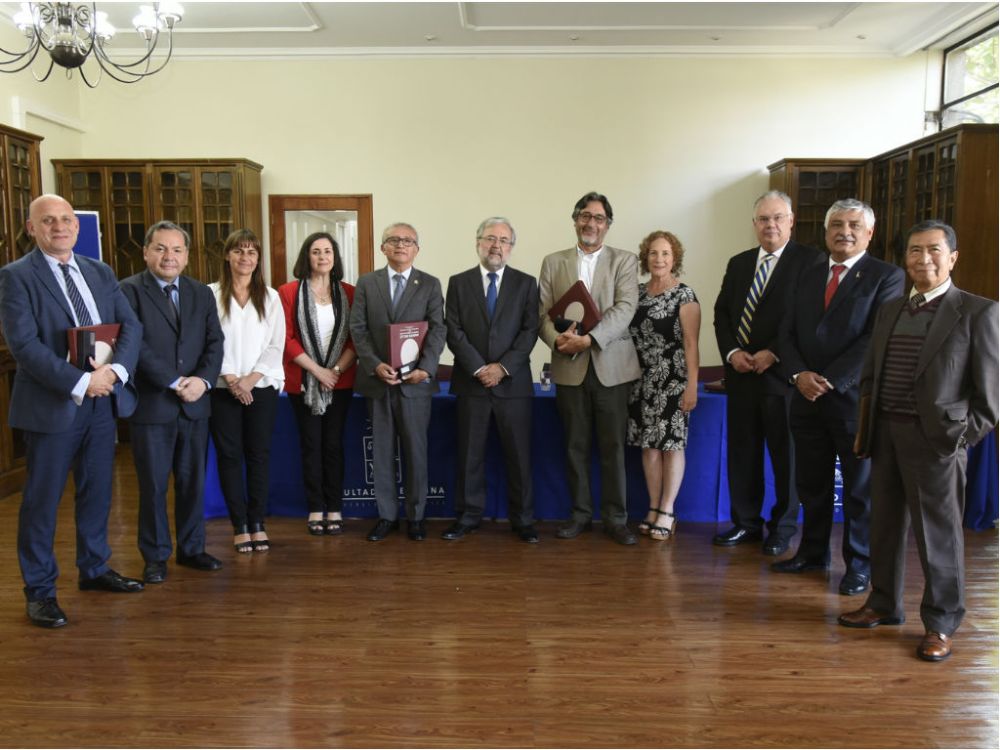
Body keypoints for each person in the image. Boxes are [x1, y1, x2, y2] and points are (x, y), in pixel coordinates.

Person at [839, 220, 998, 662]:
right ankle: (883, 603)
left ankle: (941, 623)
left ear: (953, 257)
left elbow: (989, 398)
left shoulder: (977, 312)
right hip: (885, 433)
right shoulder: (891, 309)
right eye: (914, 251)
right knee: (884, 524)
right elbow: (871, 375)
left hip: (937, 443)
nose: (922, 259)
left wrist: (958, 440)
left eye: (933, 250)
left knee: (939, 537)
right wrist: (867, 429)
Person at [0, 194, 143, 628]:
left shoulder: (99, 272)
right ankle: (40, 591)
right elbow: (24, 346)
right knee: (41, 503)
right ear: (32, 228)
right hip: (52, 407)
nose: (59, 227)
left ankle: (94, 569)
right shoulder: (15, 277)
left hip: (101, 403)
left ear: (77, 228)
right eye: (48, 221)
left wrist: (115, 373)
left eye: (65, 220)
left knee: (97, 491)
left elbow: (130, 326)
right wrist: (82, 381)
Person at [772, 200, 904, 595]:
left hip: (852, 402)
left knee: (859, 490)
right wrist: (799, 375)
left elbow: (875, 339)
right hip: (805, 399)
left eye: (853, 225)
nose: (844, 231)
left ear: (869, 233)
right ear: (826, 231)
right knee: (811, 484)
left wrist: (828, 379)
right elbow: (786, 332)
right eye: (836, 225)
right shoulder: (807, 272)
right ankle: (812, 553)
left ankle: (859, 566)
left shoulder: (887, 276)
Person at [712, 190, 823, 555]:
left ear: (791, 221)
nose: (770, 225)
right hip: (741, 376)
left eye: (778, 218)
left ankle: (783, 528)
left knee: (785, 459)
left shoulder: (811, 262)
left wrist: (773, 354)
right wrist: (732, 353)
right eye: (763, 219)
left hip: (781, 379)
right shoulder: (739, 263)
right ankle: (746, 523)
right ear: (754, 224)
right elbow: (723, 314)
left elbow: (807, 320)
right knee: (742, 455)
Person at [122, 220, 225, 584]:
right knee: (152, 485)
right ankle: (155, 555)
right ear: (146, 251)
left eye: (177, 249)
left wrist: (203, 381)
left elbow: (215, 343)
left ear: (186, 255)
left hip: (195, 403)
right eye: (161, 248)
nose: (169, 256)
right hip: (153, 405)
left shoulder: (201, 293)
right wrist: (174, 380)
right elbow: (134, 346)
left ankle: (192, 548)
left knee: (192, 481)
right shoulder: (128, 291)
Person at [537, 191, 641, 545]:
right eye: (585, 216)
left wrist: (591, 340)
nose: (590, 223)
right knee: (574, 446)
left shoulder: (624, 261)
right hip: (568, 368)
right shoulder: (553, 262)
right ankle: (579, 514)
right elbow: (542, 314)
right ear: (575, 220)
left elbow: (626, 308)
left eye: (598, 218)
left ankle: (616, 519)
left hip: (613, 369)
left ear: (607, 225)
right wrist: (557, 341)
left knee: (613, 448)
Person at [443, 217, 540, 544]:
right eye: (489, 239)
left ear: (511, 247)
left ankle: (524, 520)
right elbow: (452, 330)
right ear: (478, 243)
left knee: (519, 457)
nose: (496, 245)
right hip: (472, 384)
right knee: (469, 455)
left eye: (503, 240)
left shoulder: (526, 284)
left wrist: (501, 368)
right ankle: (468, 517)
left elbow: (530, 331)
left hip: (513, 385)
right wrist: (479, 368)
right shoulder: (458, 282)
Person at [349, 222, 446, 542]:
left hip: (415, 383)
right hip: (379, 383)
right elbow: (358, 329)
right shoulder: (367, 283)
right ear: (383, 248)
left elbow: (437, 330)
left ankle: (416, 517)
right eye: (394, 240)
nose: (401, 245)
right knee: (382, 452)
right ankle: (387, 515)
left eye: (408, 241)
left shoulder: (430, 284)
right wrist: (374, 365)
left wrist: (427, 368)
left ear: (417, 249)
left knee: (415, 452)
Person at [208, 229, 285, 553]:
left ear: (258, 259)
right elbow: (209, 340)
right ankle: (238, 524)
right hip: (222, 389)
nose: (245, 258)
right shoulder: (209, 294)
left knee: (258, 456)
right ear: (227, 255)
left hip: (261, 387)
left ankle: (257, 523)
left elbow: (275, 344)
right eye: (239, 251)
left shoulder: (270, 297)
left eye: (252, 252)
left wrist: (250, 380)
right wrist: (230, 379)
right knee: (228, 456)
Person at [278, 232, 357, 536]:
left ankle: (334, 507)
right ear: (306, 257)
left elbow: (355, 338)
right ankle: (315, 508)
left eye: (327, 251)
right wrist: (318, 371)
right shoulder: (287, 292)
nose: (322, 257)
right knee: (311, 446)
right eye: (315, 251)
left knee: (334, 445)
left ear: (335, 257)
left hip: (340, 380)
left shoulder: (350, 292)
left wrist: (334, 369)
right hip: (304, 382)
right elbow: (285, 338)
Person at [627, 231, 700, 541]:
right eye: (654, 253)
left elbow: (691, 344)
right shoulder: (636, 293)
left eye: (665, 254)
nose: (659, 259)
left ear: (675, 259)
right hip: (640, 381)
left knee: (671, 447)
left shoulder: (685, 295)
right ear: (646, 257)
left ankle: (668, 511)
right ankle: (654, 507)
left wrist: (692, 386)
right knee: (649, 448)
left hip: (673, 380)